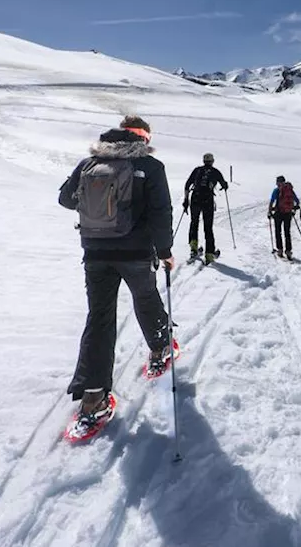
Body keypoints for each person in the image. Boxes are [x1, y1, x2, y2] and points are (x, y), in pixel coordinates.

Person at [58, 115, 175, 428]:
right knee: (146, 298)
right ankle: (161, 348)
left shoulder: (89, 163)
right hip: (136, 252)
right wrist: (164, 251)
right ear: (142, 138)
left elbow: (65, 199)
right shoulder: (150, 167)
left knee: (99, 317)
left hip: (95, 253)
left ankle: (93, 399)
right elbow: (161, 211)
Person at [183, 152, 229, 264]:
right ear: (212, 161)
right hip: (207, 200)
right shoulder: (215, 172)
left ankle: (193, 249)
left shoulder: (197, 170)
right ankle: (209, 254)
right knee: (208, 227)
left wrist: (186, 200)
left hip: (195, 199)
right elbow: (224, 184)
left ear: (203, 161)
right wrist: (224, 185)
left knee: (194, 223)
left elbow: (187, 184)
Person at [268, 174, 301, 259]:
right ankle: (288, 251)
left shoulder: (276, 190)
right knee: (287, 233)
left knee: (278, 232)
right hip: (288, 214)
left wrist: (269, 211)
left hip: (278, 213)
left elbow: (272, 201)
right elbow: (297, 201)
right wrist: (293, 209)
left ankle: (280, 250)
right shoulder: (290, 190)